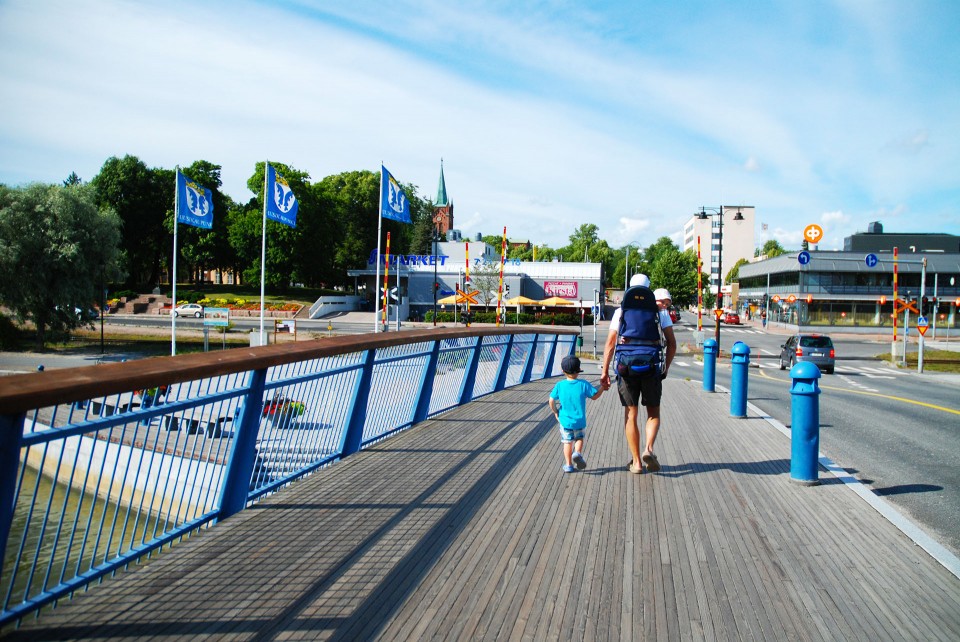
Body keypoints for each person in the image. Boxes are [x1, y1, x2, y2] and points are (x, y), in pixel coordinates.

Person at [600, 274, 677, 474]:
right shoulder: (661, 312)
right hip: (651, 366)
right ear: (649, 289)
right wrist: (665, 367)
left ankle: (636, 462)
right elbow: (672, 343)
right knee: (653, 413)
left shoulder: (621, 312)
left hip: (626, 368)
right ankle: (648, 449)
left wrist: (605, 371)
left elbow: (610, 344)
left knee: (631, 414)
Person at [549, 354, 608, 473]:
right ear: (578, 371)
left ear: (563, 371)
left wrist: (555, 412)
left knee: (567, 442)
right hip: (580, 420)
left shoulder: (560, 385)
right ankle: (577, 453)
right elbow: (595, 396)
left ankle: (569, 465)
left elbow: (551, 400)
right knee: (579, 438)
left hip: (565, 421)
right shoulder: (583, 384)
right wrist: (603, 387)